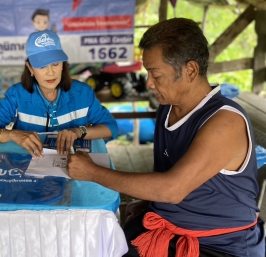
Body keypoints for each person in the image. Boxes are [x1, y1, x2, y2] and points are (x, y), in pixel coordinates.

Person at [67, 18, 265, 257]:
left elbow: (171, 190)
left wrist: (93, 173)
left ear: (190, 70)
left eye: (156, 74)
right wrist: (150, 204)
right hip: (170, 225)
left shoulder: (224, 122)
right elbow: (165, 177)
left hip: (218, 244)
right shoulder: (169, 108)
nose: (149, 83)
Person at [0, 30, 118, 158]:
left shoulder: (83, 93)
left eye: (55, 64)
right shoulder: (17, 95)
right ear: (30, 68)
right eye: (42, 66)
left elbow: (110, 128)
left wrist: (79, 131)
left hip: (74, 165)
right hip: (27, 166)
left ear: (63, 65)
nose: (50, 72)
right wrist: (13, 134)